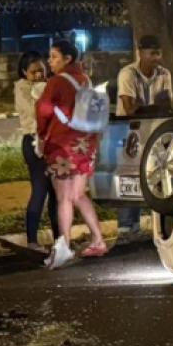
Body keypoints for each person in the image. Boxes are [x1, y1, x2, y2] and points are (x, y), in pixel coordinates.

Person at [36, 40, 109, 268]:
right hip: (86, 143)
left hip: (62, 145)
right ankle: (98, 240)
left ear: (67, 59)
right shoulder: (85, 79)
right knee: (78, 194)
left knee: (64, 197)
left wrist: (41, 135)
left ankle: (65, 246)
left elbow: (43, 109)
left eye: (54, 57)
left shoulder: (57, 81)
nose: (50, 62)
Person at [115, 34, 173, 235]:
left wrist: (145, 107)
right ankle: (125, 226)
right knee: (129, 176)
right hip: (130, 130)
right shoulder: (128, 74)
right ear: (140, 53)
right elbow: (129, 109)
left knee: (151, 175)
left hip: (153, 130)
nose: (156, 58)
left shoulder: (164, 74)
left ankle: (139, 226)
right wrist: (154, 107)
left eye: (158, 53)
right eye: (152, 53)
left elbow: (167, 105)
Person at [15, 51, 58, 250]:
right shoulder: (21, 87)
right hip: (34, 142)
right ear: (24, 72)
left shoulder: (50, 85)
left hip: (52, 142)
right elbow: (36, 111)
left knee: (56, 194)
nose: (39, 75)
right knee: (39, 191)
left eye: (42, 70)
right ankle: (32, 241)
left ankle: (60, 240)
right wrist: (43, 89)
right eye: (34, 72)